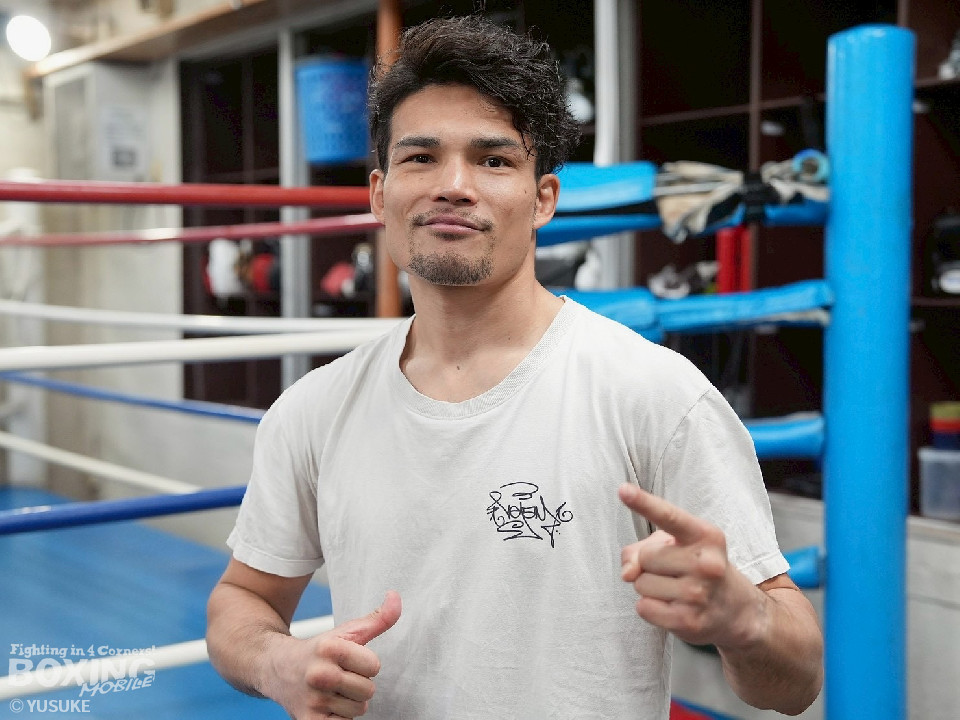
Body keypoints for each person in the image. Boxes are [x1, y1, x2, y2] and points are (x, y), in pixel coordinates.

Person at [206, 15, 823, 719]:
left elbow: (797, 680)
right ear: (380, 193)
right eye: (421, 157)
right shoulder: (315, 408)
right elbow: (243, 598)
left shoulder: (653, 393)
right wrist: (277, 662)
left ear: (543, 200)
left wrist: (745, 620)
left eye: (494, 160)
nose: (453, 185)